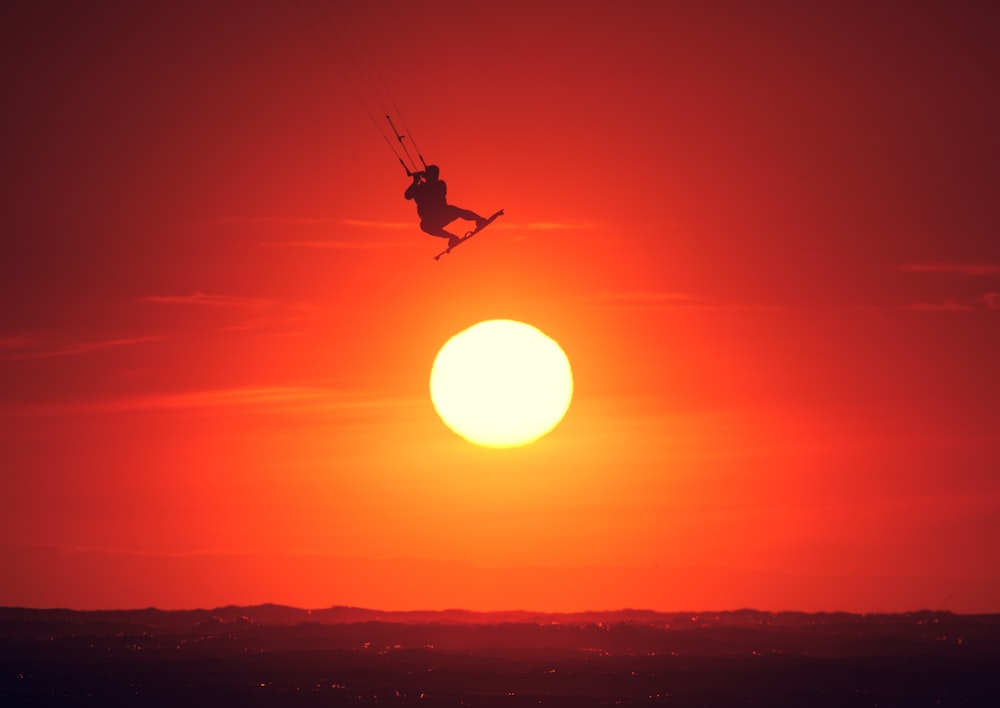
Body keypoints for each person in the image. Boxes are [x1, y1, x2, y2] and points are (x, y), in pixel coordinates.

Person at [404, 165, 487, 248]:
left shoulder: (439, 184)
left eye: (435, 175)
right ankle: (452, 237)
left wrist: (418, 182)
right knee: (424, 226)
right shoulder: (420, 188)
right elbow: (407, 196)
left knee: (455, 210)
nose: (436, 176)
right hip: (430, 221)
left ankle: (479, 219)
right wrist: (415, 182)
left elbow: (435, 190)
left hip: (443, 214)